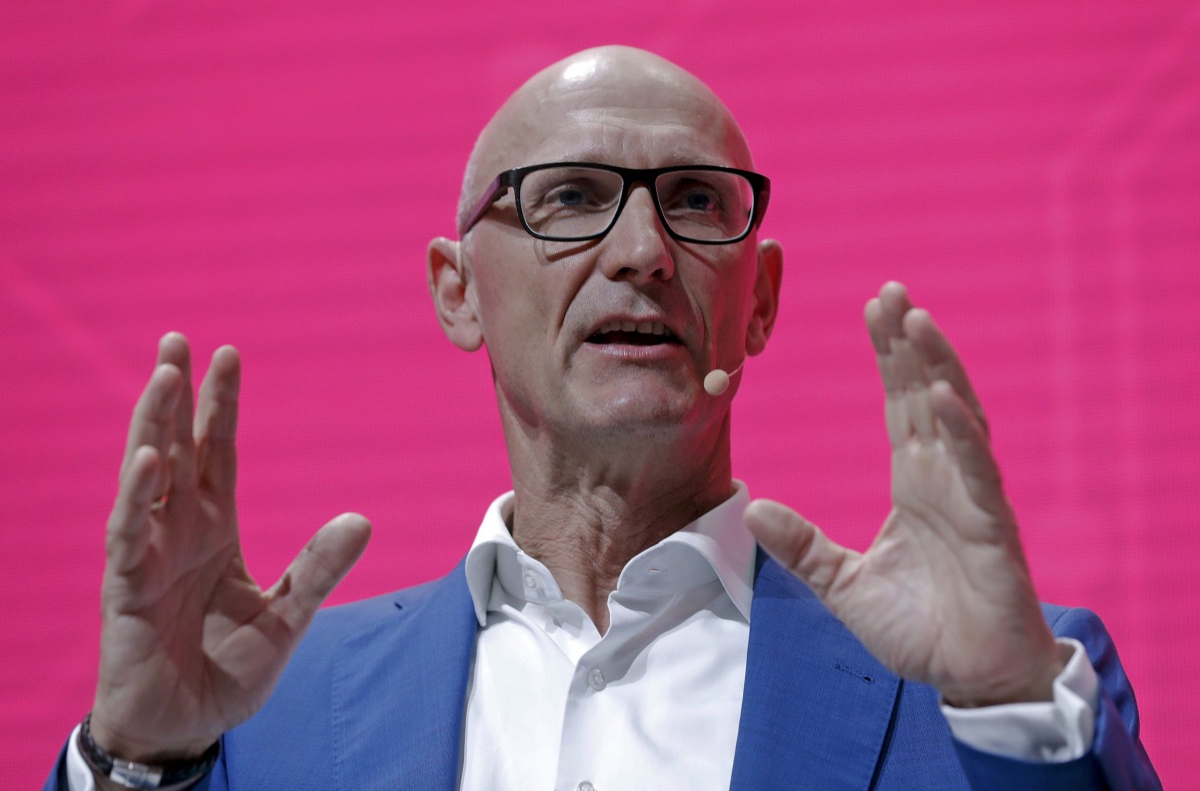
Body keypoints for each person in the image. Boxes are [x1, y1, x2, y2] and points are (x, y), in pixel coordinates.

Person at [47, 46, 1159, 790]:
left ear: (757, 300)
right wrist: (136, 757)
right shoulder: (253, 717)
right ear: (456, 289)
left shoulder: (984, 686)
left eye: (693, 204)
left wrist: (1013, 708)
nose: (642, 254)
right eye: (570, 197)